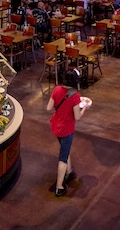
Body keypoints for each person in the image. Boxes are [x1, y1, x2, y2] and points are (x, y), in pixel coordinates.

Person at [46, 66, 88, 197]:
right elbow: (77, 117)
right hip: (67, 129)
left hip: (56, 125)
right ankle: (59, 186)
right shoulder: (75, 96)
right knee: (62, 157)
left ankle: (69, 172)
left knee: (65, 148)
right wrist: (85, 107)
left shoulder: (57, 89)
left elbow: (49, 108)